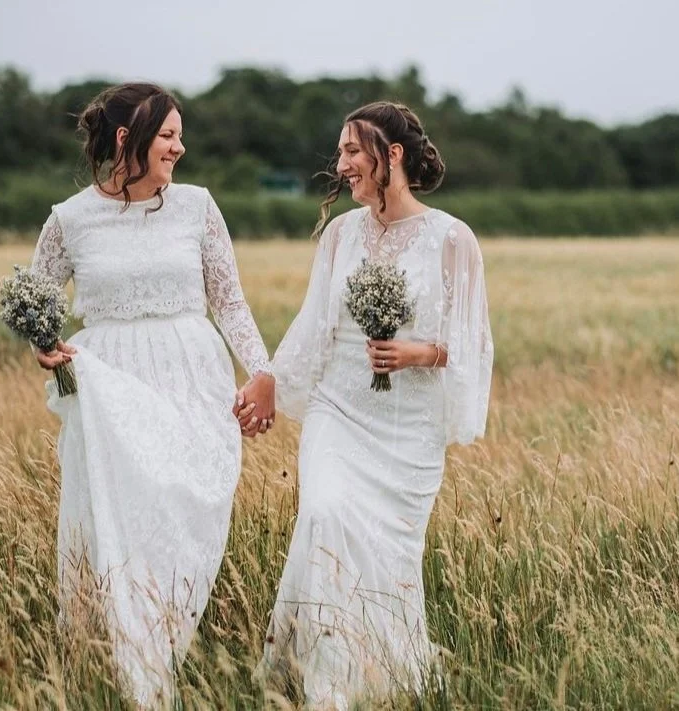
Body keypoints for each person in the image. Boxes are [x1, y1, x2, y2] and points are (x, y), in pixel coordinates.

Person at [29, 82, 276, 707]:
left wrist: (263, 372)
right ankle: (109, 666)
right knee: (112, 520)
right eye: (168, 135)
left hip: (192, 379)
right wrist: (41, 343)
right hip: (107, 386)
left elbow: (228, 299)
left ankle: (160, 647)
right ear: (125, 139)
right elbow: (34, 301)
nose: (180, 147)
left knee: (182, 511)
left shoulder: (197, 207)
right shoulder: (70, 218)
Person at [251, 101, 494, 709]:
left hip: (407, 428)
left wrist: (415, 354)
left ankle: (385, 681)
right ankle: (325, 689)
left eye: (352, 152)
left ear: (392, 156)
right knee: (327, 514)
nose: (342, 165)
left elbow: (470, 345)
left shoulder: (451, 239)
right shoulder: (339, 235)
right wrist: (269, 384)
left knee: (389, 558)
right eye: (340, 153)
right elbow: (313, 327)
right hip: (339, 408)